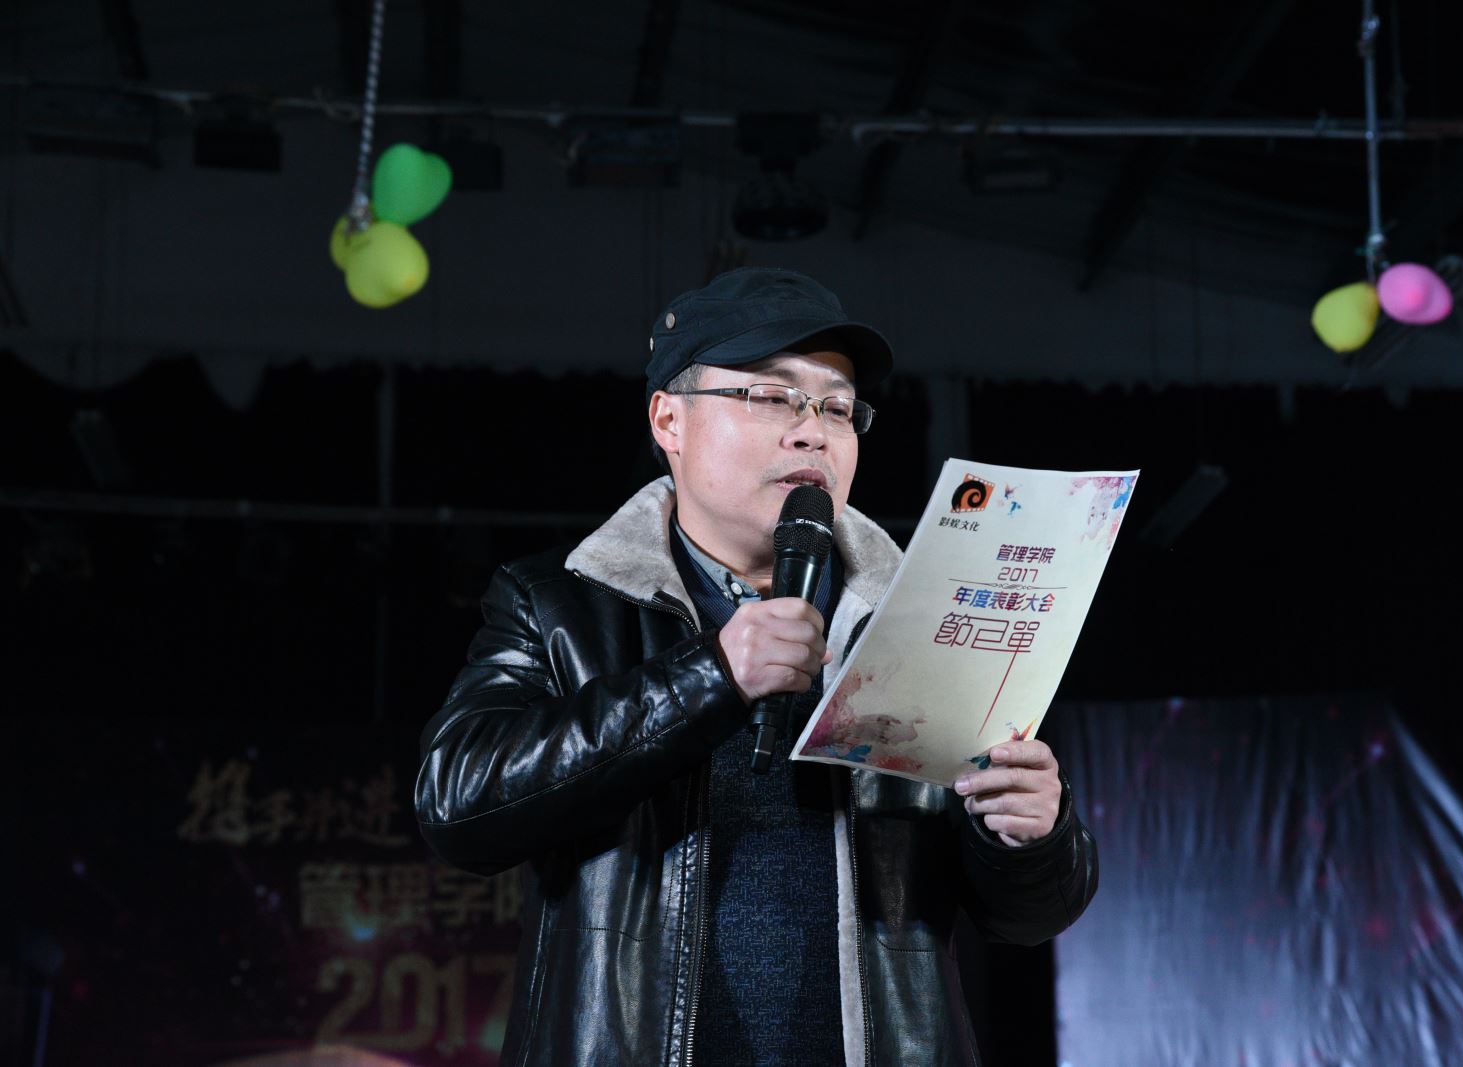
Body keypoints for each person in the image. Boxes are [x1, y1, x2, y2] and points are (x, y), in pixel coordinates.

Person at [413, 267, 1098, 1066]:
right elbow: (457, 802)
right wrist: (712, 675)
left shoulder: (921, 616)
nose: (812, 432)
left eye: (837, 408)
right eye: (771, 396)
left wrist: (1030, 834)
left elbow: (1024, 917)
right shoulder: (559, 603)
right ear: (669, 419)